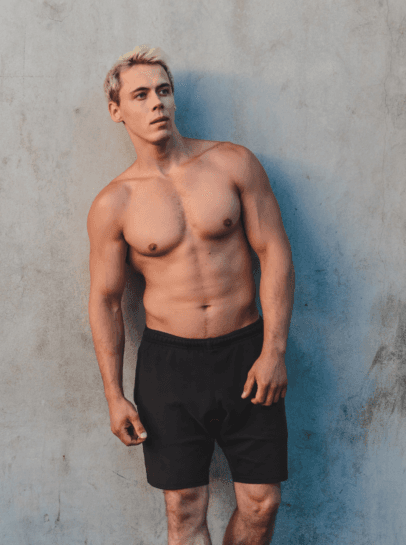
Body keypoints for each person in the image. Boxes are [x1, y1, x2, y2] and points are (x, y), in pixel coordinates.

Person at [87, 46, 295, 545]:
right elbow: (106, 301)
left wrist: (274, 350)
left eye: (163, 90)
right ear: (118, 111)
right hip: (169, 365)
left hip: (246, 351)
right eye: (141, 94)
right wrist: (114, 396)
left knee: (261, 503)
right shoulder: (114, 203)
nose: (156, 102)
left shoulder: (232, 163)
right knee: (183, 510)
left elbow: (276, 254)